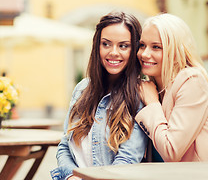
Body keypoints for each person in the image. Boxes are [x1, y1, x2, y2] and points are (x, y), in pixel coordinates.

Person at [51, 12, 148, 180]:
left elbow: (128, 159)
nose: (114, 52)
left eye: (123, 46)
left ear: (134, 49)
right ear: (97, 46)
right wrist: (70, 177)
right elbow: (64, 146)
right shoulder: (82, 89)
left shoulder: (140, 94)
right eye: (106, 44)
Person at [136, 13, 208, 162]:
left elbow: (171, 151)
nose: (144, 54)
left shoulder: (192, 80)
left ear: (175, 50)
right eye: (142, 45)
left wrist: (152, 103)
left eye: (156, 47)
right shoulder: (150, 85)